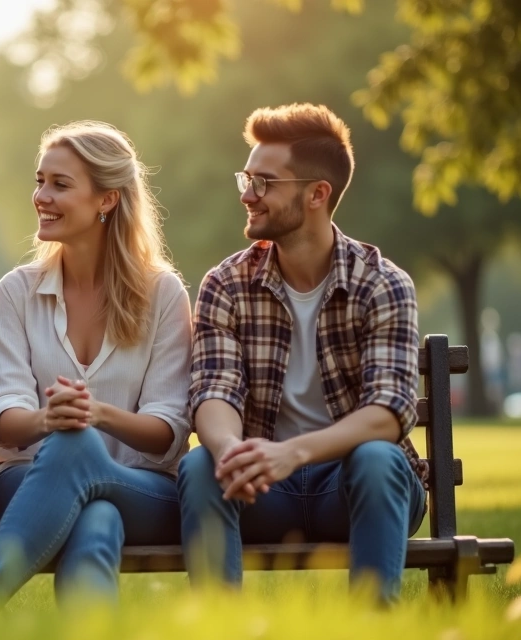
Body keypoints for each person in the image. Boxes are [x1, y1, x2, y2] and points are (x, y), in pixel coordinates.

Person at [0, 121, 192, 618]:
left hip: (143, 493)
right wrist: (47, 420)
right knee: (95, 516)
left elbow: (168, 434)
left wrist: (96, 415)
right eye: (40, 180)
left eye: (60, 184)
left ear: (106, 200)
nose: (41, 196)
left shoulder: (163, 293)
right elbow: (1, 419)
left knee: (84, 452)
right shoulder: (17, 291)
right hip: (25, 490)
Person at [177, 103, 427, 603]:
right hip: (261, 488)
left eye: (265, 183)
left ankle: (374, 626)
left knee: (378, 458)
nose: (248, 195)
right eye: (246, 179)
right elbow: (213, 391)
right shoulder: (225, 284)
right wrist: (231, 452)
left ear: (317, 194)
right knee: (201, 466)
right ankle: (218, 628)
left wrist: (292, 453)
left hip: (355, 486)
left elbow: (388, 414)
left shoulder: (382, 283)